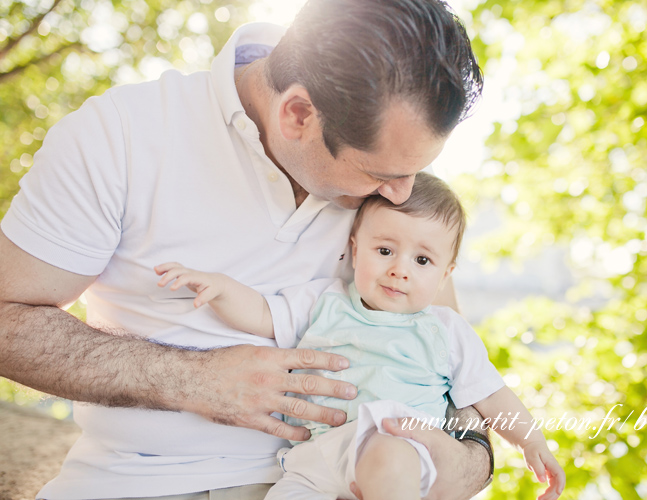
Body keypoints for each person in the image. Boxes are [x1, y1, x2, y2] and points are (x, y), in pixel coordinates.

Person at [0, 0, 495, 498]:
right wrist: (190, 379)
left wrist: (456, 461)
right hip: (141, 482)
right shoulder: (121, 135)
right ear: (298, 114)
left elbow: (449, 371)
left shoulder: (394, 180)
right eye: (382, 175)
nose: (404, 194)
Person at [155, 172, 567, 500]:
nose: (399, 269)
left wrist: (532, 442)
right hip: (313, 459)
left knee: (389, 456)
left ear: (445, 275)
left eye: (422, 260)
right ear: (355, 250)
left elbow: (491, 395)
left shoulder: (444, 329)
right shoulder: (324, 300)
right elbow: (264, 314)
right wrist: (222, 289)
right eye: (385, 250)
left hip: (400, 448)